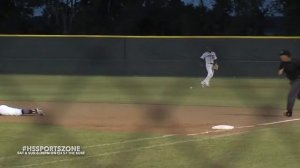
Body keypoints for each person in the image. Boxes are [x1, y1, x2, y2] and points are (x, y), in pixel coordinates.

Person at [278, 50, 300, 117]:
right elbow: (279, 70)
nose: (281, 57)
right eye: (281, 56)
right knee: (299, 96)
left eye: (283, 56)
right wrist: (281, 70)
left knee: (291, 95)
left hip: (298, 80)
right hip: (292, 81)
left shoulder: (296, 61)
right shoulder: (283, 62)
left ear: (287, 56)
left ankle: (289, 112)